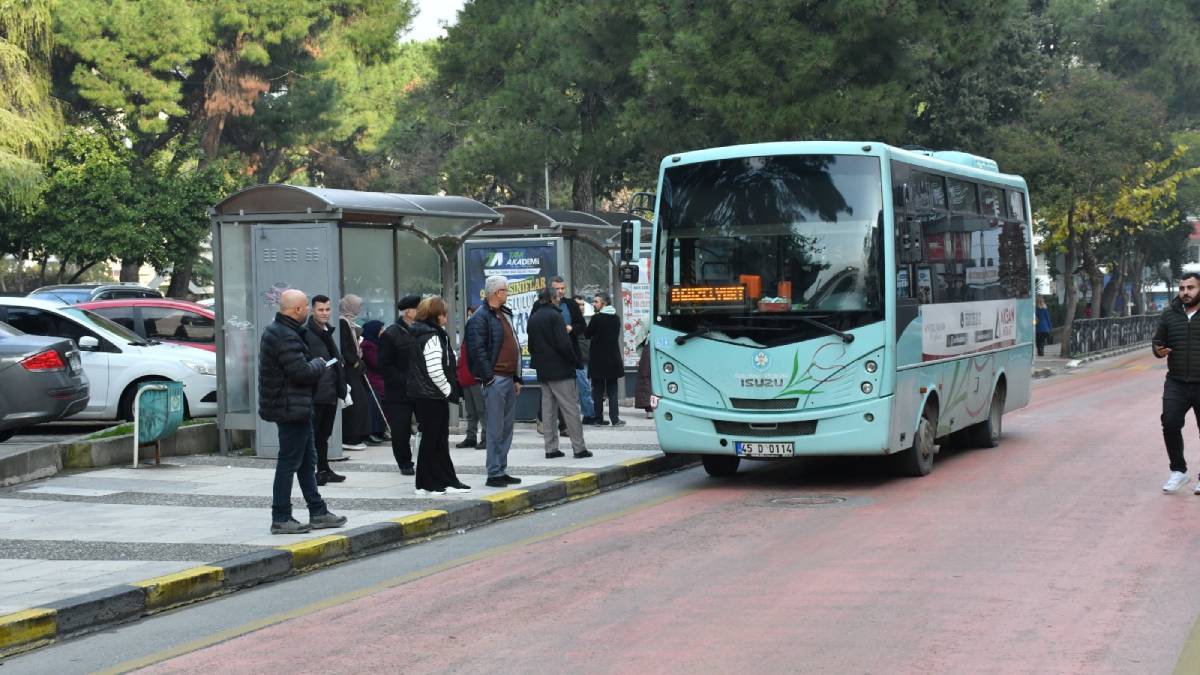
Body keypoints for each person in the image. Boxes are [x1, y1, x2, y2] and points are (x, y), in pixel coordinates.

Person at [257, 288, 347, 534]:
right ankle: (281, 517)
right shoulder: (284, 335)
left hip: (298, 406)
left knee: (308, 461)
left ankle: (317, 511)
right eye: (306, 306)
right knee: (288, 462)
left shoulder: (286, 331)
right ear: (296, 309)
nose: (308, 309)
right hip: (289, 408)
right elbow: (301, 372)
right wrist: (319, 363)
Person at [407, 296, 471, 495]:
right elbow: (435, 369)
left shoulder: (426, 333)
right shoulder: (432, 336)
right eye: (444, 314)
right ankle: (426, 483)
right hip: (432, 395)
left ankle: (446, 479)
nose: (446, 317)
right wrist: (448, 391)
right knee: (433, 440)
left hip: (428, 394)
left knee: (438, 439)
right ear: (436, 315)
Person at [466, 275, 524, 488]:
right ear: (498, 292)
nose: (508, 294)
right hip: (496, 379)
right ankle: (493, 472)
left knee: (506, 427)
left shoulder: (503, 314)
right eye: (506, 291)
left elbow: (515, 345)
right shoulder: (480, 318)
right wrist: (488, 377)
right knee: (494, 428)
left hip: (508, 379)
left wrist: (517, 377)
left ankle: (502, 468)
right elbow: (477, 350)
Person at [528, 288, 592, 459]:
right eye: (557, 297)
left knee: (548, 411)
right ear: (551, 299)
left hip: (543, 371)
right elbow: (564, 344)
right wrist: (574, 361)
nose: (559, 300)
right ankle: (579, 448)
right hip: (561, 370)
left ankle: (550, 448)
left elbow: (531, 345)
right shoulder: (555, 316)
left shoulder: (533, 318)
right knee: (570, 408)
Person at [1154, 272, 1200, 493]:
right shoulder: (1170, 314)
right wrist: (1158, 351)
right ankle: (1179, 471)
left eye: (1190, 288)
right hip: (1176, 382)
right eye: (1182, 289)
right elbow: (1157, 341)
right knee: (1170, 423)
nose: (1185, 293)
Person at [303, 294, 348, 486]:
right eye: (320, 309)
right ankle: (313, 472)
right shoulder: (307, 333)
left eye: (327, 309)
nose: (324, 313)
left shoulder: (326, 331)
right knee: (314, 435)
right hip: (317, 393)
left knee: (324, 435)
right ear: (312, 310)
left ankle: (323, 469)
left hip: (329, 391)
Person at [379, 294, 422, 476]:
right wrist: (404, 381)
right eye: (418, 309)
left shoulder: (423, 330)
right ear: (408, 312)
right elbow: (384, 365)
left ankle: (427, 460)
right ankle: (405, 462)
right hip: (398, 392)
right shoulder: (390, 334)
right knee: (400, 430)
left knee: (427, 426)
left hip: (421, 390)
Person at [550, 276, 593, 424]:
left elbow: (582, 326)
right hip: (550, 354)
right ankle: (547, 421)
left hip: (570, 353)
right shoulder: (542, 305)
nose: (560, 291)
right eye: (557, 288)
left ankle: (566, 423)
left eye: (563, 288)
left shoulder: (571, 305)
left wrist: (572, 328)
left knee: (571, 390)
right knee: (550, 391)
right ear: (551, 289)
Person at [586, 291, 625, 426]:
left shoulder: (596, 318)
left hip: (598, 359)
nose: (594, 303)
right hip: (613, 359)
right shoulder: (616, 318)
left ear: (604, 303)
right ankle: (615, 419)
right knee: (612, 390)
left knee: (597, 391)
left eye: (596, 301)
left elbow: (587, 334)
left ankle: (598, 418)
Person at [338, 294, 371, 450]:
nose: (359, 308)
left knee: (361, 400)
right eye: (357, 305)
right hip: (349, 368)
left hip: (354, 366)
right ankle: (350, 437)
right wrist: (356, 361)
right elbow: (344, 348)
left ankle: (356, 435)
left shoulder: (350, 323)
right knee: (355, 401)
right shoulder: (343, 322)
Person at [456, 305, 486, 449]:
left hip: (476, 378)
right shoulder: (468, 336)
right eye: (468, 315)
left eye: (472, 315)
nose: (470, 318)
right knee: (470, 412)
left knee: (482, 410)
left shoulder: (480, 335)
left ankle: (486, 438)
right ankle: (471, 437)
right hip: (466, 378)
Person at [359, 319, 389, 444]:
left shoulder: (377, 343)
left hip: (381, 378)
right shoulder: (368, 345)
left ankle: (382, 430)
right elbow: (377, 363)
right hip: (374, 380)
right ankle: (375, 430)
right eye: (381, 329)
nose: (383, 332)